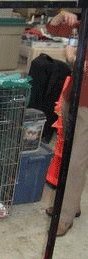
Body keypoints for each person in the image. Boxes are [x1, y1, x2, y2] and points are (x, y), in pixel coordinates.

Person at [46, 10, 88, 236]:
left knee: (76, 160)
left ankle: (65, 215)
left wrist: (76, 59)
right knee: (69, 155)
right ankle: (71, 204)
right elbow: (52, 29)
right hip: (73, 95)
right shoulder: (83, 21)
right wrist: (62, 15)